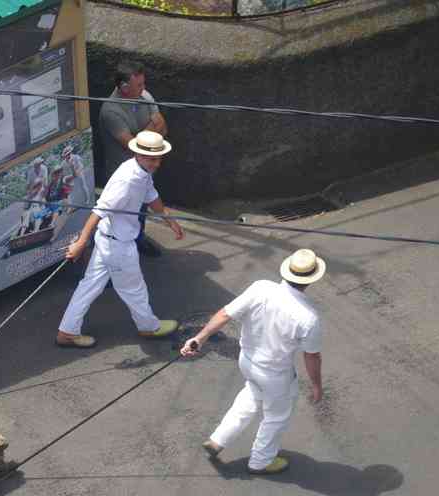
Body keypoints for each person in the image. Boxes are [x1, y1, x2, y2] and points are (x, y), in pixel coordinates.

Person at [180, 249, 326, 474]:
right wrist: (316, 385)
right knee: (277, 416)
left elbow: (225, 314)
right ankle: (261, 460)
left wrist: (199, 338)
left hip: (247, 361)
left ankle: (219, 439)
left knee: (251, 396)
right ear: (311, 279)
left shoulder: (261, 288)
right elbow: (312, 356)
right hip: (276, 375)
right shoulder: (308, 317)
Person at [56, 131, 184, 349]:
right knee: (134, 289)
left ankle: (67, 331)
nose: (156, 163)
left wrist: (167, 218)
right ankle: (148, 326)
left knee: (88, 286)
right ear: (138, 154)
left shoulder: (139, 170)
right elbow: (100, 210)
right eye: (152, 159)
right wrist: (80, 243)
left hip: (108, 240)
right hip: (118, 245)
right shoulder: (128, 180)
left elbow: (150, 194)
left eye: (158, 158)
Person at [98, 60, 169, 256]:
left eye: (143, 84)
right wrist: (151, 130)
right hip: (123, 174)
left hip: (145, 170)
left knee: (142, 209)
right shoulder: (111, 111)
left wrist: (146, 137)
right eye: (139, 85)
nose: (143, 89)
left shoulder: (144, 96)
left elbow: (163, 125)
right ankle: (116, 252)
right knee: (122, 215)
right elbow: (133, 146)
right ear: (124, 87)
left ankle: (139, 240)